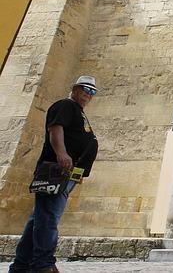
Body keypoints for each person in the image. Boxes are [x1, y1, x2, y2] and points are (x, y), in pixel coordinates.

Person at [10, 76, 99, 273]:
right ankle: (43, 264)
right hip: (57, 171)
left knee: (39, 218)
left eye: (92, 91)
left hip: (67, 174)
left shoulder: (78, 111)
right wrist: (61, 153)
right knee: (48, 218)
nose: (88, 94)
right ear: (75, 88)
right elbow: (55, 128)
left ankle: (21, 266)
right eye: (85, 89)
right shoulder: (65, 105)